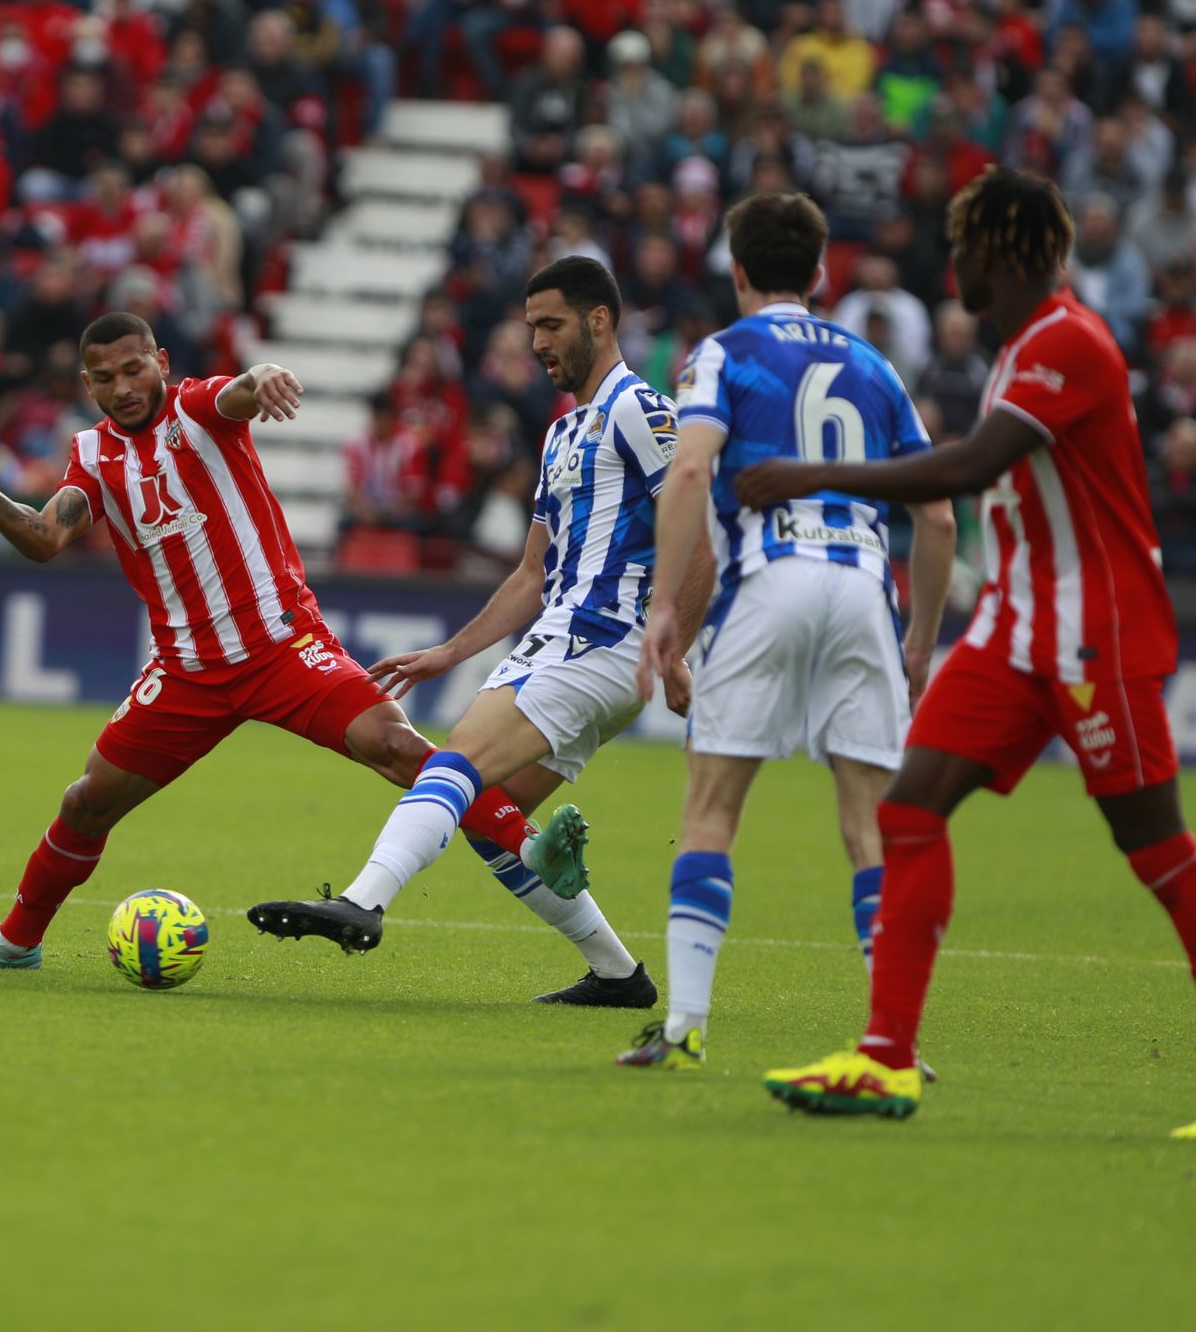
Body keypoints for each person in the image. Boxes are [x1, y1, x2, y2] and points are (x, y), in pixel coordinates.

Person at [0, 313, 594, 990]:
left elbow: (240, 389)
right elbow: (43, 538)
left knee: (396, 747)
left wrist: (264, 376)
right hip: (186, 673)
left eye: (132, 368)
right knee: (86, 803)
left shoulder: (197, 408)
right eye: (103, 378)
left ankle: (535, 850)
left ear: (161, 360)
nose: (122, 387)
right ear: (87, 384)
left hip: (283, 650)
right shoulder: (92, 456)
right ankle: (15, 942)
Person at [736, 168, 1193, 1131]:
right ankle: (885, 1061)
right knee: (908, 811)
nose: (952, 268)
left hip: (1092, 636)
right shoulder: (1026, 344)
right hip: (1016, 631)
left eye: (961, 250)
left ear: (994, 252)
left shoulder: (1068, 341)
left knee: (1156, 854)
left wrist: (812, 475)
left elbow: (973, 463)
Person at [247, 258, 718, 1008]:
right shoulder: (564, 432)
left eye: (552, 324)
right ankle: (618, 974)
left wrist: (676, 646)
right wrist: (449, 652)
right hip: (578, 637)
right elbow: (531, 574)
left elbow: (702, 541)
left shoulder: (641, 409)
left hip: (599, 637)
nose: (537, 342)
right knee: (485, 816)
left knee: (456, 761)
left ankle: (364, 901)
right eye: (531, 327)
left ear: (600, 321)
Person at [617, 192, 957, 1070]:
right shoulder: (873, 363)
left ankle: (686, 1025)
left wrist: (662, 608)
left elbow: (691, 465)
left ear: (736, 272)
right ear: (819, 273)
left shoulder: (722, 353)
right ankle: (895, 1043)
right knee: (870, 828)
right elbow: (941, 518)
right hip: (860, 590)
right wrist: (918, 640)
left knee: (711, 809)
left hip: (768, 580)